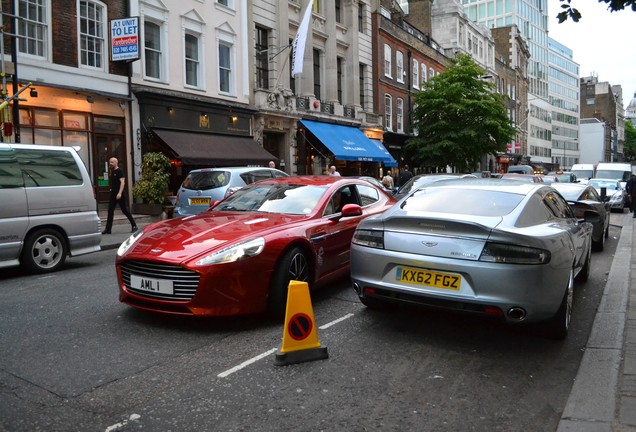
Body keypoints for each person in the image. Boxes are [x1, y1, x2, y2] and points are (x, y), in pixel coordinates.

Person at [103, 157, 137, 234]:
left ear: (116, 162)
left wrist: (120, 193)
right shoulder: (112, 171)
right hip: (113, 195)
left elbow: (122, 182)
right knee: (110, 210)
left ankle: (134, 225)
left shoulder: (119, 171)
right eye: (109, 162)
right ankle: (108, 229)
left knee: (124, 210)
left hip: (119, 195)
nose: (110, 164)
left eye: (112, 162)